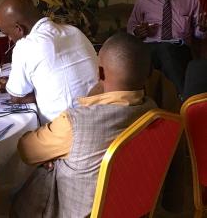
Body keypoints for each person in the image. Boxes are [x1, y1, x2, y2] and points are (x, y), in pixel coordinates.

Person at [11, 33, 157, 218]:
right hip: (134, 208)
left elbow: (26, 151)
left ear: (101, 73)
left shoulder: (75, 123)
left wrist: (56, 157)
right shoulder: (155, 113)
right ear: (149, 73)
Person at [0, 0, 98, 123]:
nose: (9, 39)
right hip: (99, 116)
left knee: (23, 141)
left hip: (67, 128)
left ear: (19, 29)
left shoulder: (25, 46)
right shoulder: (74, 31)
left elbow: (17, 98)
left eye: (7, 34)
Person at [127, 0, 207, 95]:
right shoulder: (143, 0)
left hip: (179, 49)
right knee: (153, 51)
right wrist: (138, 31)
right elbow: (131, 28)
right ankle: (183, 98)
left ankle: (182, 97)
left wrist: (203, 29)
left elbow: (198, 34)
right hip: (150, 48)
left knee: (165, 49)